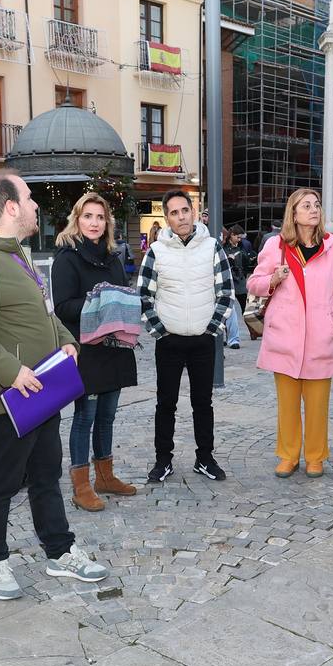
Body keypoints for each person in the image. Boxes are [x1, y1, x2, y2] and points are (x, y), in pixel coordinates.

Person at [0, 169, 110, 601]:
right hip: (5, 398)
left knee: (47, 473)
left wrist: (66, 342)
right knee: (2, 480)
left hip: (41, 391)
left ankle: (60, 550)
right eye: (30, 198)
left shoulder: (15, 252)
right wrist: (10, 371)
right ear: (11, 206)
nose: (36, 205)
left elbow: (42, 311)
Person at [247, 188, 333, 478]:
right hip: (284, 338)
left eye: (317, 205)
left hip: (321, 340)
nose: (313, 209)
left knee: (318, 406)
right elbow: (254, 283)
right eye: (306, 205)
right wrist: (272, 278)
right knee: (287, 404)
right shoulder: (276, 246)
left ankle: (315, 456)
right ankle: (288, 454)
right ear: (293, 214)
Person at [51, 192, 139, 512]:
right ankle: (81, 485)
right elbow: (62, 308)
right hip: (84, 350)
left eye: (100, 217)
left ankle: (105, 476)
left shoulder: (113, 257)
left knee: (107, 415)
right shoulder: (67, 258)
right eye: (88, 216)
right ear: (77, 219)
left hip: (114, 348)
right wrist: (98, 301)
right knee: (85, 416)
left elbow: (123, 295)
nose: (94, 223)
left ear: (107, 223)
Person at [138, 190, 235, 482]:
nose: (180, 217)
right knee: (165, 403)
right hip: (169, 341)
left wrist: (212, 329)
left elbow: (226, 291)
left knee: (202, 403)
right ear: (166, 217)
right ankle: (162, 460)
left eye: (185, 210)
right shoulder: (157, 251)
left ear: (193, 211)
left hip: (202, 341)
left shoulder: (212, 247)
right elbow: (144, 295)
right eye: (174, 212)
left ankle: (205, 458)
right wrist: (160, 332)